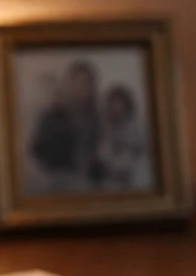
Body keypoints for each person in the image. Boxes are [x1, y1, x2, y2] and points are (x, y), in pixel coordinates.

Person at [28, 60, 104, 192]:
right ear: (69, 85)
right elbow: (37, 148)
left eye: (86, 83)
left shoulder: (96, 117)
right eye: (77, 82)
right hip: (59, 179)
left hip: (90, 181)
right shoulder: (53, 115)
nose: (81, 87)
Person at [97, 84, 149, 189]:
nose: (116, 107)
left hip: (132, 179)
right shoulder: (105, 127)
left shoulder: (135, 127)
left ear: (126, 105)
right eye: (113, 103)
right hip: (108, 181)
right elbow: (102, 154)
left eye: (119, 103)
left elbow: (139, 152)